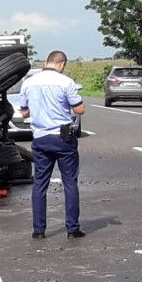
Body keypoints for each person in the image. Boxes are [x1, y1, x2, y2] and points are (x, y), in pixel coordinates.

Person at [18, 51, 87, 239]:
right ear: (62, 63)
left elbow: (24, 113)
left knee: (40, 184)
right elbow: (79, 109)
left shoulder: (29, 82)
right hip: (63, 138)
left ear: (47, 61)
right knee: (70, 183)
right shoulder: (66, 82)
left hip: (40, 138)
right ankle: (72, 228)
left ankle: (38, 230)